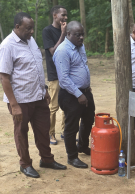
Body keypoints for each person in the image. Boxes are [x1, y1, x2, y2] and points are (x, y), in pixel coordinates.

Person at [0, 12, 67, 178]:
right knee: (21, 132)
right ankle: (25, 164)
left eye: (32, 28)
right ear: (17, 27)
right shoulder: (7, 45)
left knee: (43, 130)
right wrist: (14, 105)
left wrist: (43, 90)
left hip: (38, 96)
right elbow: (4, 78)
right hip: (20, 100)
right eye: (28, 28)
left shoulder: (30, 40)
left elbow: (36, 68)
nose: (31, 32)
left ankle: (47, 160)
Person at [53, 21, 95, 168]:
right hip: (71, 95)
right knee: (72, 126)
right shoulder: (63, 50)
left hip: (85, 92)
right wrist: (78, 94)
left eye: (83, 34)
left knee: (89, 119)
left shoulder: (80, 46)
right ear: (68, 34)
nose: (82, 37)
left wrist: (85, 90)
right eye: (78, 35)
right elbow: (63, 79)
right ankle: (72, 157)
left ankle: (82, 146)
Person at [42, 5, 68, 145]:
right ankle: (50, 133)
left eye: (66, 15)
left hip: (67, 74)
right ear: (55, 16)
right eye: (62, 15)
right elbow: (54, 52)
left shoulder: (68, 31)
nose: (65, 18)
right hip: (55, 75)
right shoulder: (47, 31)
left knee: (67, 105)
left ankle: (64, 131)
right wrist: (63, 34)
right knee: (53, 107)